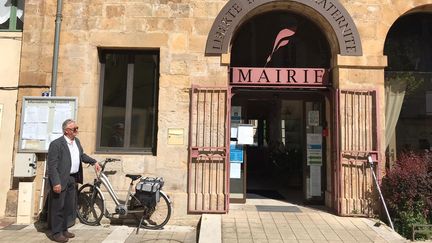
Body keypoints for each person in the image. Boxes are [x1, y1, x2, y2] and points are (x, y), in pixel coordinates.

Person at [47, 119, 101, 242]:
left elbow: (82, 156)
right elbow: (52, 166)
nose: (77, 131)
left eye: (77, 128)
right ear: (66, 131)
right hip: (60, 179)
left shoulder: (76, 141)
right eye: (74, 129)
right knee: (58, 206)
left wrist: (93, 161)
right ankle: (56, 233)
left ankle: (64, 229)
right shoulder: (56, 144)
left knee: (68, 206)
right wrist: (56, 182)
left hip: (72, 178)